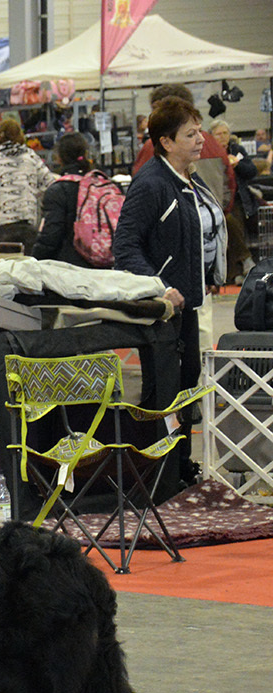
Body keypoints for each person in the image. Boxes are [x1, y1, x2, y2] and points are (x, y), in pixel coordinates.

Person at [113, 97, 225, 485]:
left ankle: (180, 466)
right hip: (162, 310)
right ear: (166, 141)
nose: (201, 139)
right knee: (166, 392)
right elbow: (125, 245)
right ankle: (161, 473)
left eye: (200, 131)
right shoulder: (151, 184)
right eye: (190, 134)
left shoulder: (187, 178)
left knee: (187, 384)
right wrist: (161, 286)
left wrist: (208, 270)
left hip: (189, 304)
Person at [131, 84, 235, 216]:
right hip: (213, 219)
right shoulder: (212, 143)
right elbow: (229, 185)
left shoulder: (156, 145)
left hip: (172, 223)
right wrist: (218, 213)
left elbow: (139, 194)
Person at [33, 133, 97, 268]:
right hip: (105, 264)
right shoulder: (100, 184)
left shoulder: (58, 190)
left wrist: (33, 260)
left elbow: (51, 236)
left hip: (70, 267)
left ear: (59, 157)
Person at [0, 117, 53, 226]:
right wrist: (37, 197)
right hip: (28, 217)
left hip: (2, 219)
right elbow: (49, 182)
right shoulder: (31, 156)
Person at [209, 120, 257, 280]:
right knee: (230, 224)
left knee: (236, 227)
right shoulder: (209, 153)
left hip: (240, 198)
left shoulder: (237, 150)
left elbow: (252, 171)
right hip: (218, 200)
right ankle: (245, 261)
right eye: (219, 134)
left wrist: (237, 165)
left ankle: (237, 273)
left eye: (225, 133)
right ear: (212, 136)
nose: (223, 137)